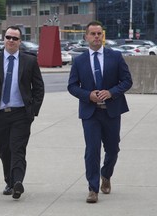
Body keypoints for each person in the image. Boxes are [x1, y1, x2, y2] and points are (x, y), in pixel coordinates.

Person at [67, 21, 132, 203]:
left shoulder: (116, 57)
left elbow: (127, 81)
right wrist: (88, 95)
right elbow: (72, 86)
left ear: (102, 36)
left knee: (113, 149)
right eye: (93, 34)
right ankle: (93, 188)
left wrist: (111, 92)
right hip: (90, 113)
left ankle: (106, 174)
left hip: (111, 112)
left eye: (99, 34)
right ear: (86, 37)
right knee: (92, 150)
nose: (96, 37)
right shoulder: (79, 60)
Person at [0, 26, 45, 199]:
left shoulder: (29, 61)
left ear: (20, 41)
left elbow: (38, 88)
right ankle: (9, 181)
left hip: (21, 113)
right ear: (4, 39)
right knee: (4, 150)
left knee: (18, 148)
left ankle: (18, 182)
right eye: (8, 37)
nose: (11, 41)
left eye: (15, 38)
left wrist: (33, 111)